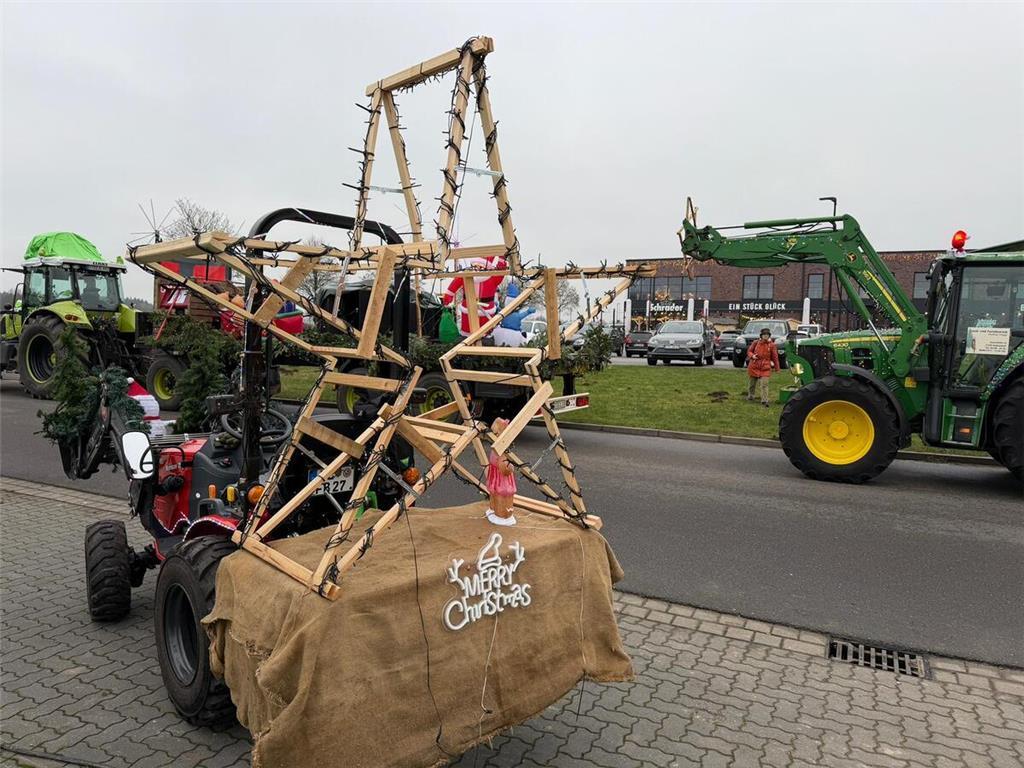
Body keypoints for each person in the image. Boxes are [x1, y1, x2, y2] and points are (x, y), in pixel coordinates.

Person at [486, 418, 517, 526]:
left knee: (499, 494)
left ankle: (500, 514)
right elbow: (504, 468)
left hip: (498, 479)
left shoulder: (500, 450)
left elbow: (504, 468)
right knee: (497, 494)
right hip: (498, 479)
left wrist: (508, 467)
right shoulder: (499, 450)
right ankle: (497, 512)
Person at [746, 327, 779, 407]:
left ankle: (764, 400)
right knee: (752, 384)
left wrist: (777, 368)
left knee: (764, 384)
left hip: (765, 367)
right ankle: (751, 396)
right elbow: (749, 351)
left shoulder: (772, 345)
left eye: (767, 335)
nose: (765, 336)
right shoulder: (755, 343)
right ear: (761, 335)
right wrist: (752, 356)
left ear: (769, 336)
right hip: (754, 366)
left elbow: (775, 357)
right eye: (764, 335)